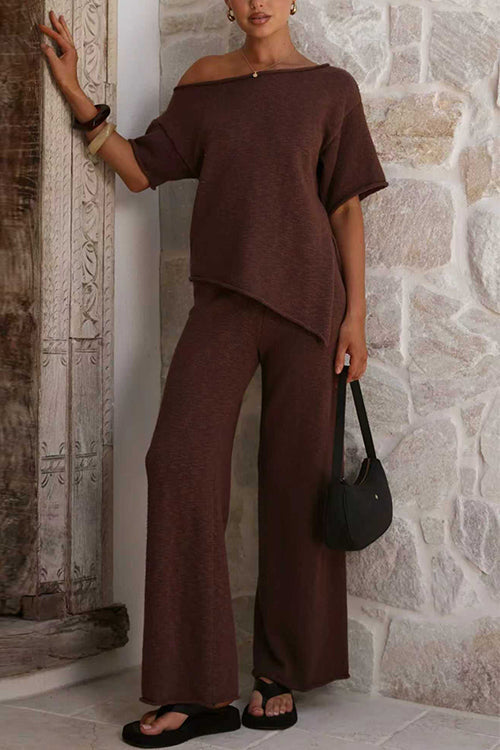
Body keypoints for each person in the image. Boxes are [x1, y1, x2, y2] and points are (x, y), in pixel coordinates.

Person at [39, 1, 388, 747]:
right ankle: (195, 692)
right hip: (223, 302)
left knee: (298, 483)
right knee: (178, 463)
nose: (258, 0)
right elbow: (141, 169)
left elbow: (345, 209)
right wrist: (75, 92)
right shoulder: (205, 82)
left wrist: (356, 315)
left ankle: (279, 674)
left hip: (311, 309)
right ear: (229, 4)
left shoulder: (331, 89)